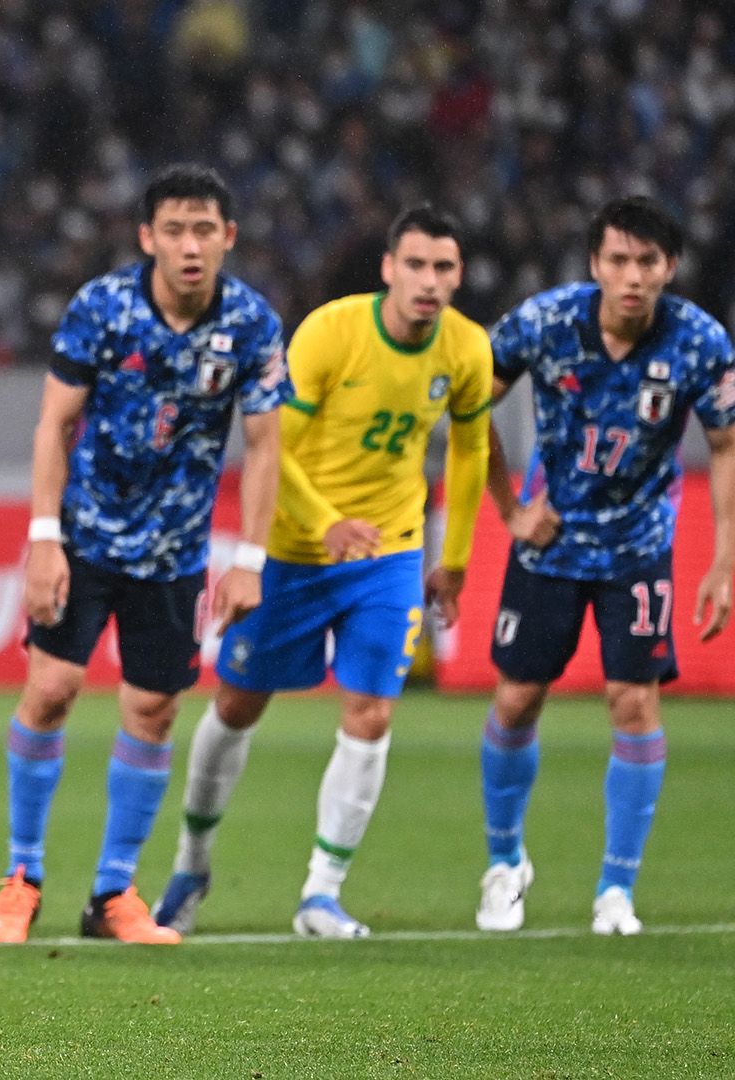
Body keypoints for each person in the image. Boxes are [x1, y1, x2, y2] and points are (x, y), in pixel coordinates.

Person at [151, 206, 493, 939]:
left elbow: (470, 452)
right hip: (296, 549)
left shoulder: (467, 350)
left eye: (443, 269)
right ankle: (192, 862)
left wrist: (454, 558)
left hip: (390, 553)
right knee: (239, 704)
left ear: (458, 275)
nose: (429, 283)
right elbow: (276, 450)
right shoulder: (330, 333)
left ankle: (321, 893)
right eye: (416, 266)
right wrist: (325, 523)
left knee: (371, 713)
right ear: (388, 269)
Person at [0, 164, 286, 947]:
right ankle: (21, 878)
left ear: (228, 239)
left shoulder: (250, 325)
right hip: (83, 540)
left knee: (153, 709)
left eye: (204, 230)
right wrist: (43, 540)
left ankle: (113, 894)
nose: (190, 245)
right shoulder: (102, 309)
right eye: (174, 229)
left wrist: (250, 555)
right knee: (52, 688)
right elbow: (54, 426)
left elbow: (264, 441)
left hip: (176, 554)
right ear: (148, 237)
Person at [473, 196, 735, 936]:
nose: (632, 276)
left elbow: (724, 446)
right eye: (618, 259)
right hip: (548, 544)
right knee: (518, 699)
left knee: (634, 701)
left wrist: (724, 557)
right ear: (595, 265)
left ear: (670, 268)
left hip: (640, 549)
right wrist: (509, 508)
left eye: (648, 262)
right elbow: (470, 405)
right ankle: (504, 864)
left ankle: (616, 889)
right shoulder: (546, 322)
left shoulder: (699, 343)